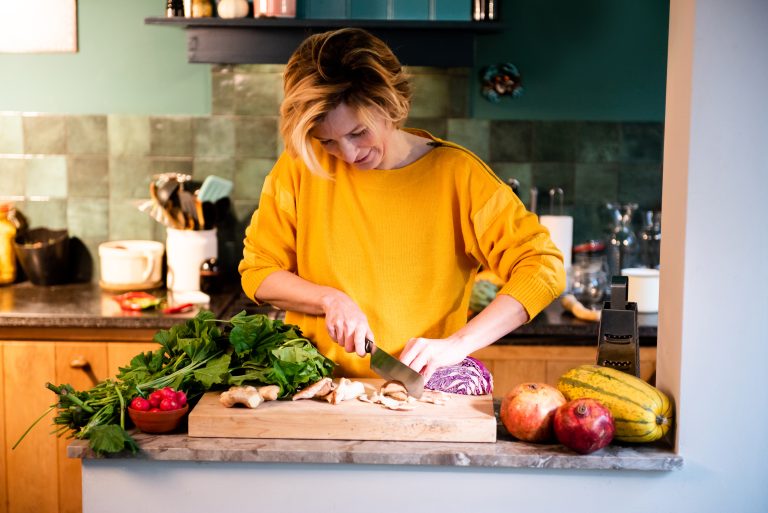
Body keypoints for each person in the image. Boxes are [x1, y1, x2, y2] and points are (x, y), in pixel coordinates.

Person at [239, 28, 565, 392]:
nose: (347, 155)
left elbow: (542, 268)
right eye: (327, 140)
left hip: (421, 398)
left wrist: (457, 346)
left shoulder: (457, 175)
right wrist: (329, 299)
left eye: (358, 132)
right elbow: (258, 271)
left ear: (390, 106)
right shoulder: (301, 166)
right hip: (315, 394)